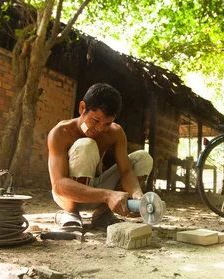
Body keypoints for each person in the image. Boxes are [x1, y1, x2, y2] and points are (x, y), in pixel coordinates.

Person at [48, 83, 153, 231]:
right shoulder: (60, 132)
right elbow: (58, 186)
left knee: (143, 157)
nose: (100, 128)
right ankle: (71, 213)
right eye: (96, 120)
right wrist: (107, 195)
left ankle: (102, 214)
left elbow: (126, 171)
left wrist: (137, 195)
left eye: (107, 123)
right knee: (86, 144)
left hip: (96, 192)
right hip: (67, 196)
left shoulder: (115, 132)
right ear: (82, 108)